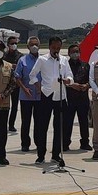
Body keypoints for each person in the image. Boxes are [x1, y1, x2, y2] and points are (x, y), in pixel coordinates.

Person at [28, 36, 74, 164]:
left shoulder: (63, 59)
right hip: (47, 95)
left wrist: (68, 80)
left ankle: (55, 154)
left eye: (58, 48)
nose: (56, 50)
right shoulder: (42, 59)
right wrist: (39, 87)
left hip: (60, 95)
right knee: (42, 126)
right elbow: (32, 75)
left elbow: (70, 75)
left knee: (59, 127)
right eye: (54, 48)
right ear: (49, 47)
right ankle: (41, 154)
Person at [14, 36, 42, 152]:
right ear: (28, 47)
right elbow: (17, 77)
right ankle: (25, 143)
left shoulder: (43, 60)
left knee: (39, 122)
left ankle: (39, 142)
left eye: (36, 44)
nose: (34, 46)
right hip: (26, 96)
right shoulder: (22, 60)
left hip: (40, 96)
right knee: (26, 122)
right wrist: (24, 89)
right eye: (32, 44)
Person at [63, 44, 93, 151]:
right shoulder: (65, 65)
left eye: (77, 51)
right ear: (69, 53)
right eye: (73, 52)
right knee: (67, 122)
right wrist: (72, 85)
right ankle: (65, 143)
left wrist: (87, 85)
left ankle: (85, 143)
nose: (75, 54)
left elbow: (92, 79)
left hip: (82, 98)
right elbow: (62, 79)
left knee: (84, 122)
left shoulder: (85, 65)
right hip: (69, 98)